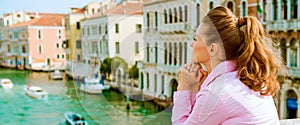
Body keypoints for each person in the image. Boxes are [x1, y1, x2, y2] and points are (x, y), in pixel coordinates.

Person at [172, 6, 285, 125]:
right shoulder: (248, 79)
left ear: (212, 49)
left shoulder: (216, 94)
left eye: (195, 39)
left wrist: (184, 88)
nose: (191, 44)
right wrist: (196, 90)